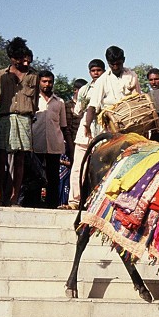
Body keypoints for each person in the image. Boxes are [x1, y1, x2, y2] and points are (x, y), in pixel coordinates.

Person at [0, 36, 37, 206]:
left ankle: (14, 196)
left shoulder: (34, 76)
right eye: (20, 59)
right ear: (12, 58)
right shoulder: (1, 75)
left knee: (20, 159)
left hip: (25, 118)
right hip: (6, 117)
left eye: (26, 59)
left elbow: (35, 101)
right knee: (1, 157)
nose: (25, 63)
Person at [65, 59, 105, 210]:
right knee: (78, 168)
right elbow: (78, 111)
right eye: (93, 71)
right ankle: (74, 201)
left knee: (101, 168)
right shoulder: (85, 89)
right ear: (89, 72)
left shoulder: (108, 85)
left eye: (98, 70)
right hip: (85, 132)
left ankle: (98, 203)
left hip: (103, 130)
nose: (96, 73)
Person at [82, 46, 140, 140]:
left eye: (118, 64)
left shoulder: (132, 76)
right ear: (108, 63)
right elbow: (92, 106)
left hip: (132, 123)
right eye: (112, 64)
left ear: (124, 60)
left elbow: (138, 99)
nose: (115, 67)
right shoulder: (102, 80)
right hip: (111, 126)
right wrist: (87, 125)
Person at [33, 70, 67, 208]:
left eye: (50, 81)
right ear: (39, 82)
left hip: (54, 144)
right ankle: (33, 203)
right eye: (44, 81)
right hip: (36, 143)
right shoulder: (33, 99)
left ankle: (52, 205)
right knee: (35, 176)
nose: (47, 84)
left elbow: (63, 125)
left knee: (53, 176)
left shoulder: (59, 102)